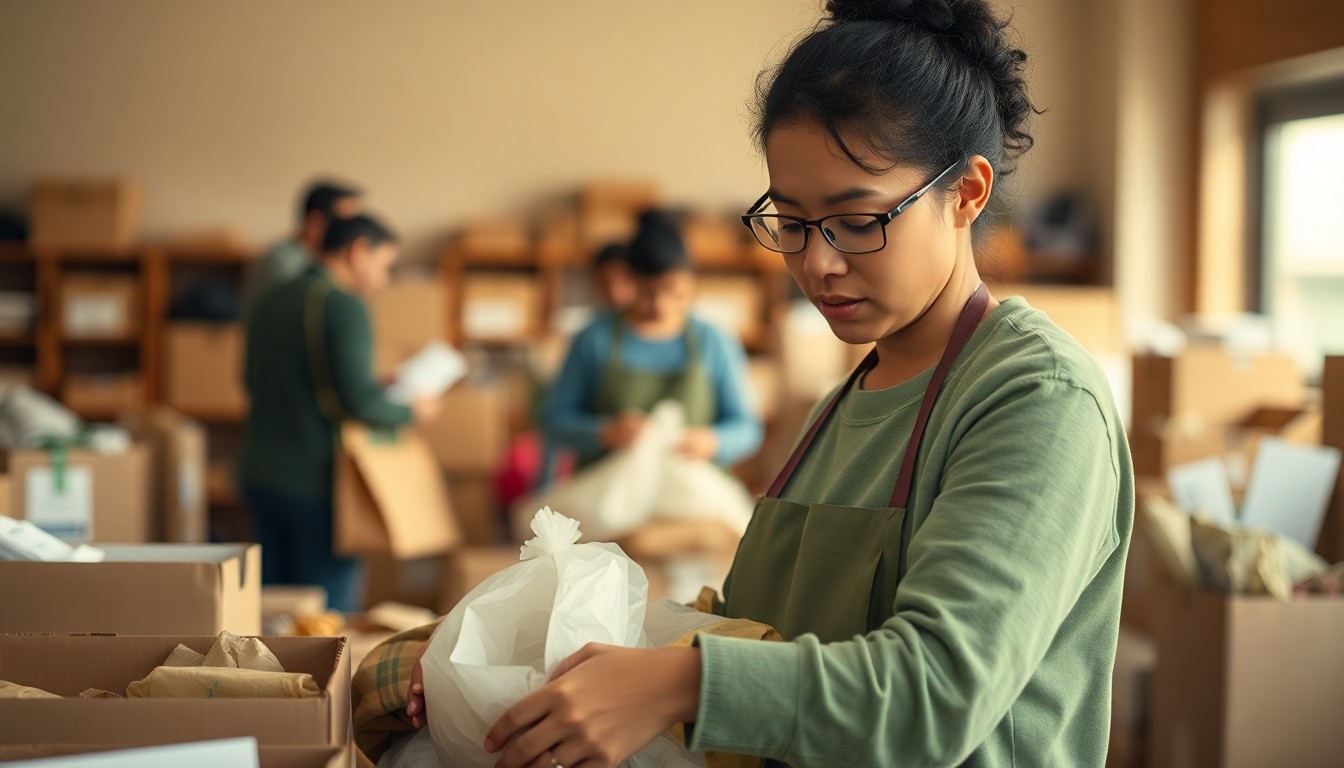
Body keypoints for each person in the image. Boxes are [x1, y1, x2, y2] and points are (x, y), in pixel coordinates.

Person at [408, 1, 1133, 766]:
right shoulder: (839, 408)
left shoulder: (1036, 399)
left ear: (967, 194)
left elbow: (936, 694)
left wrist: (677, 684)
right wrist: (556, 659)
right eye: (791, 221)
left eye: (858, 221)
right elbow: (759, 628)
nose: (817, 263)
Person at [239, 214, 441, 613]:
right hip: (318, 479)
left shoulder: (270, 298)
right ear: (357, 251)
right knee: (325, 619)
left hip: (259, 472)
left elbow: (249, 379)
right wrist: (411, 410)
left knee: (267, 611)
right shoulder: (342, 304)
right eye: (383, 265)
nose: (382, 281)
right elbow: (359, 402)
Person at [541, 210, 763, 470]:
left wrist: (714, 441)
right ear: (629, 281)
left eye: (674, 292)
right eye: (648, 293)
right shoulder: (593, 340)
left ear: (690, 284)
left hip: (691, 488)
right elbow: (553, 421)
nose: (660, 306)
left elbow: (748, 429)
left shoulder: (713, 342)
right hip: (607, 488)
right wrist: (605, 432)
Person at [240, 179, 361, 323]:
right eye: (346, 226)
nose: (353, 235)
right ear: (316, 224)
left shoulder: (311, 261)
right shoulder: (283, 263)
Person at [591, 240, 634, 309]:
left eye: (622, 281)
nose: (613, 293)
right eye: (605, 284)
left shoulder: (653, 315)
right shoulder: (600, 318)